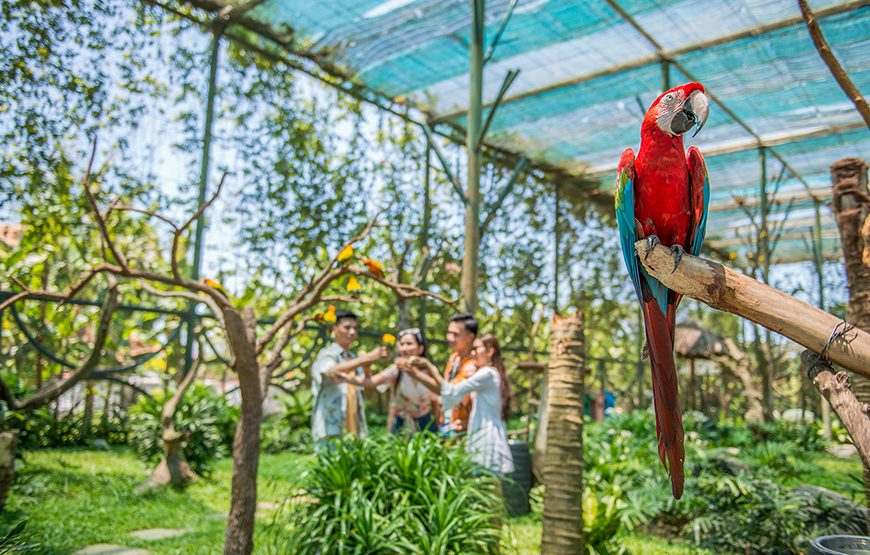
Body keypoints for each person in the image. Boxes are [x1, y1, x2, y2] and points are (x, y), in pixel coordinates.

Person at [403, 334, 514, 475]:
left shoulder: (487, 373)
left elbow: (451, 391)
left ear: (490, 351)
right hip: (484, 436)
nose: (472, 354)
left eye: (476, 348)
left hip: (487, 441)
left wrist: (429, 367)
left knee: (490, 486)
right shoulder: (491, 374)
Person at [337, 327, 441, 434]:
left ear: (420, 348)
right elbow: (372, 382)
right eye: (402, 344)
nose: (405, 348)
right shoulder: (397, 369)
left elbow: (439, 392)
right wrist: (345, 378)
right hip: (401, 422)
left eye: (409, 344)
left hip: (425, 422)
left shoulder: (429, 369)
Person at [310, 309, 389, 445]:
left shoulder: (353, 359)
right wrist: (366, 358)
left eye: (355, 328)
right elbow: (331, 373)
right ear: (334, 329)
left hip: (354, 430)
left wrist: (366, 367)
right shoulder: (327, 354)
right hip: (330, 429)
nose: (352, 332)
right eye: (347, 328)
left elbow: (367, 393)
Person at [441, 312, 478, 434]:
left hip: (463, 430)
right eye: (449, 333)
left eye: (455, 334)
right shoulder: (453, 358)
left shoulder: (474, 365)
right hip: (447, 423)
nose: (450, 338)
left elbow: (453, 392)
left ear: (470, 337)